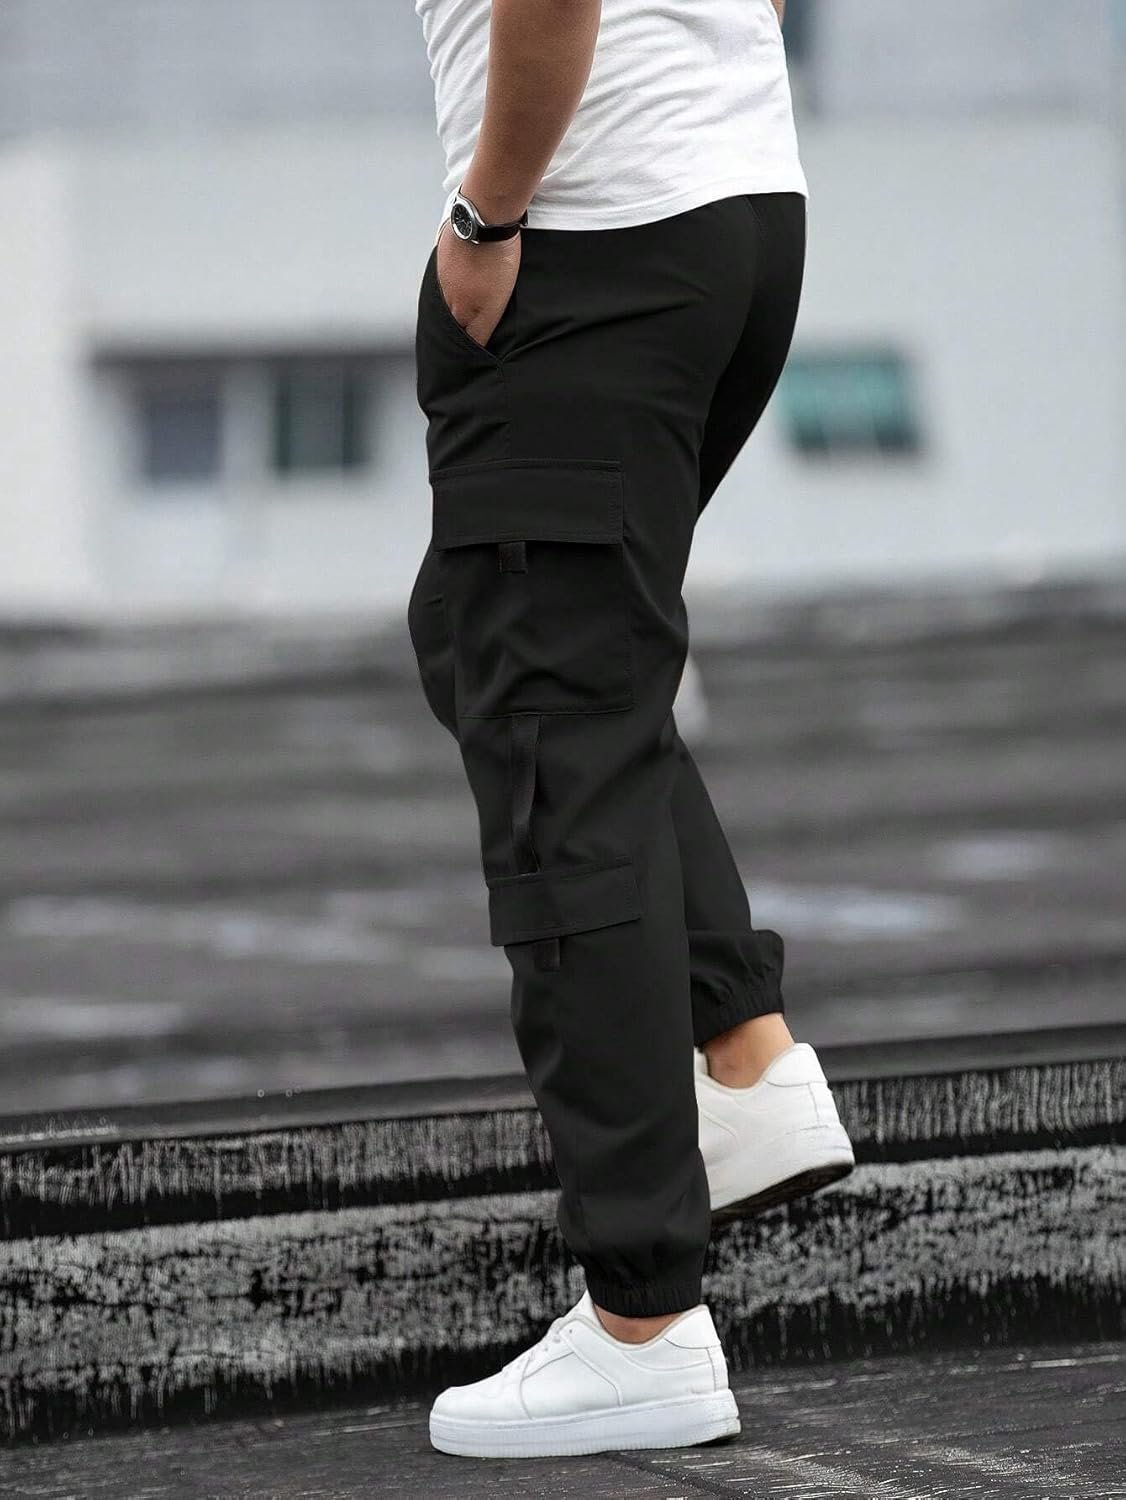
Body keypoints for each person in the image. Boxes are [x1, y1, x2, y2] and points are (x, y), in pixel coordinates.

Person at [407, 0, 854, 1460]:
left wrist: (486, 212)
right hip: (733, 207)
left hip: (593, 231)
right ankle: (740, 1056)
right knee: (510, 646)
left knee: (557, 737)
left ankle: (642, 1321)